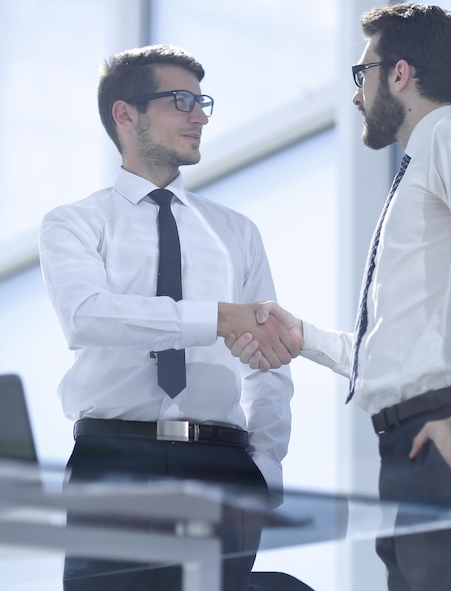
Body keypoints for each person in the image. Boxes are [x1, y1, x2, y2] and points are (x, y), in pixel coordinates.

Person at [226, 3, 451, 590]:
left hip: (450, 435)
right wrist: (305, 339)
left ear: (400, 74)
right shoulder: (426, 161)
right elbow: (402, 349)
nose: (355, 96)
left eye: (361, 74)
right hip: (413, 448)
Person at [39, 44, 300, 591]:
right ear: (125, 114)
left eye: (203, 102)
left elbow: (271, 361)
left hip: (223, 468)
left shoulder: (237, 233)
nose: (200, 115)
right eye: (181, 100)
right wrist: (218, 318)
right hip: (114, 461)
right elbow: (88, 317)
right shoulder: (76, 224)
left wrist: (265, 468)